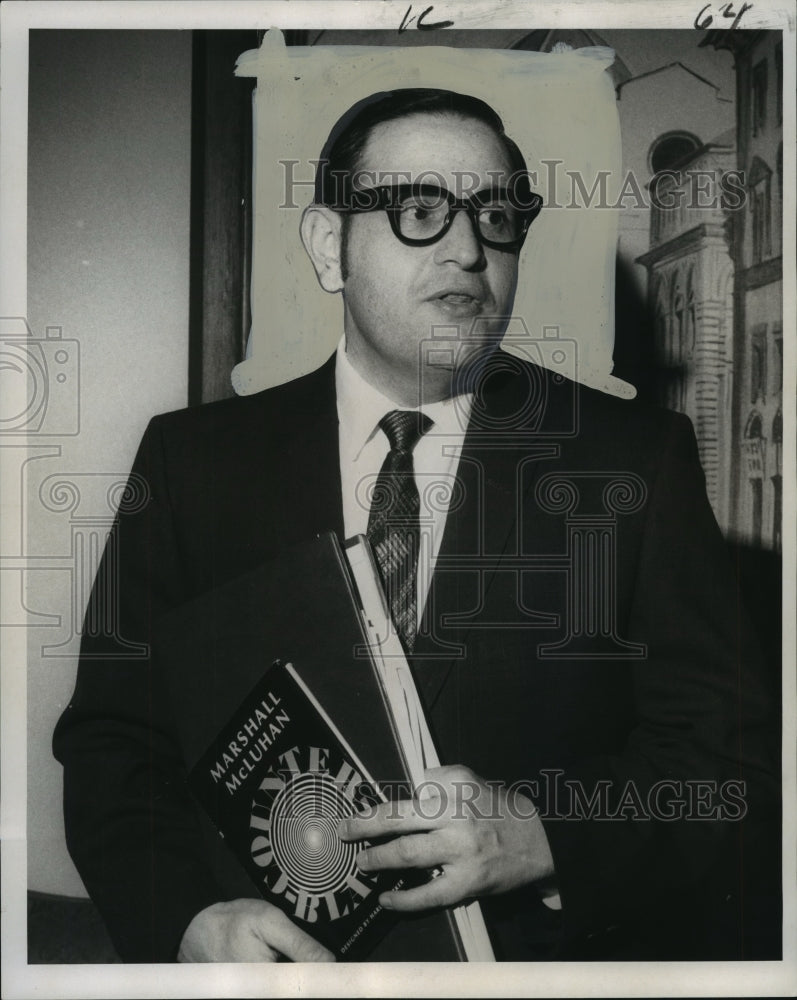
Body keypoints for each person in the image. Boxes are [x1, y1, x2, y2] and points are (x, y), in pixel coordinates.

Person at [53, 88, 777, 964]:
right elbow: (113, 743)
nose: (468, 250)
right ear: (329, 247)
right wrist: (188, 918)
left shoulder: (634, 459)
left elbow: (729, 761)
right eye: (419, 210)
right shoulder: (191, 462)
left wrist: (547, 834)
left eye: (496, 216)